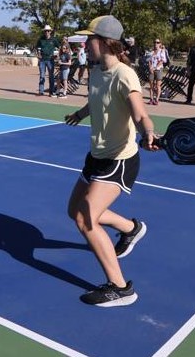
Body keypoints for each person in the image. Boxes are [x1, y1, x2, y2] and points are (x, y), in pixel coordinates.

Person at [64, 15, 158, 307]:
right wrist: (80, 114)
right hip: (96, 156)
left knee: (86, 219)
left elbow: (139, 113)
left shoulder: (125, 75)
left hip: (119, 160)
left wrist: (149, 132)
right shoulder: (95, 71)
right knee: (73, 211)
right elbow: (97, 101)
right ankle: (131, 228)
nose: (84, 44)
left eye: (88, 39)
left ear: (104, 42)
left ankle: (120, 289)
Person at [35, 25, 60, 96]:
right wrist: (37, 55)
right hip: (42, 60)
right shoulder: (41, 39)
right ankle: (41, 91)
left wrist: (57, 55)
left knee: (51, 76)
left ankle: (51, 92)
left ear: (50, 32)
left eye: (48, 31)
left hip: (50, 60)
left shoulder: (54, 39)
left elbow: (60, 48)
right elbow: (37, 48)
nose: (47, 32)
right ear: (44, 32)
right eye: (46, 31)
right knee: (42, 76)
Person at [147, 39, 169, 105]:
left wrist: (155, 68)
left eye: (157, 42)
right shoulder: (152, 52)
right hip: (151, 69)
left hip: (158, 69)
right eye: (155, 42)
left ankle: (156, 99)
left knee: (158, 85)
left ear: (160, 44)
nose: (156, 43)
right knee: (151, 85)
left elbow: (162, 60)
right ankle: (151, 98)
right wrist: (150, 68)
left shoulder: (162, 51)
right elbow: (149, 61)